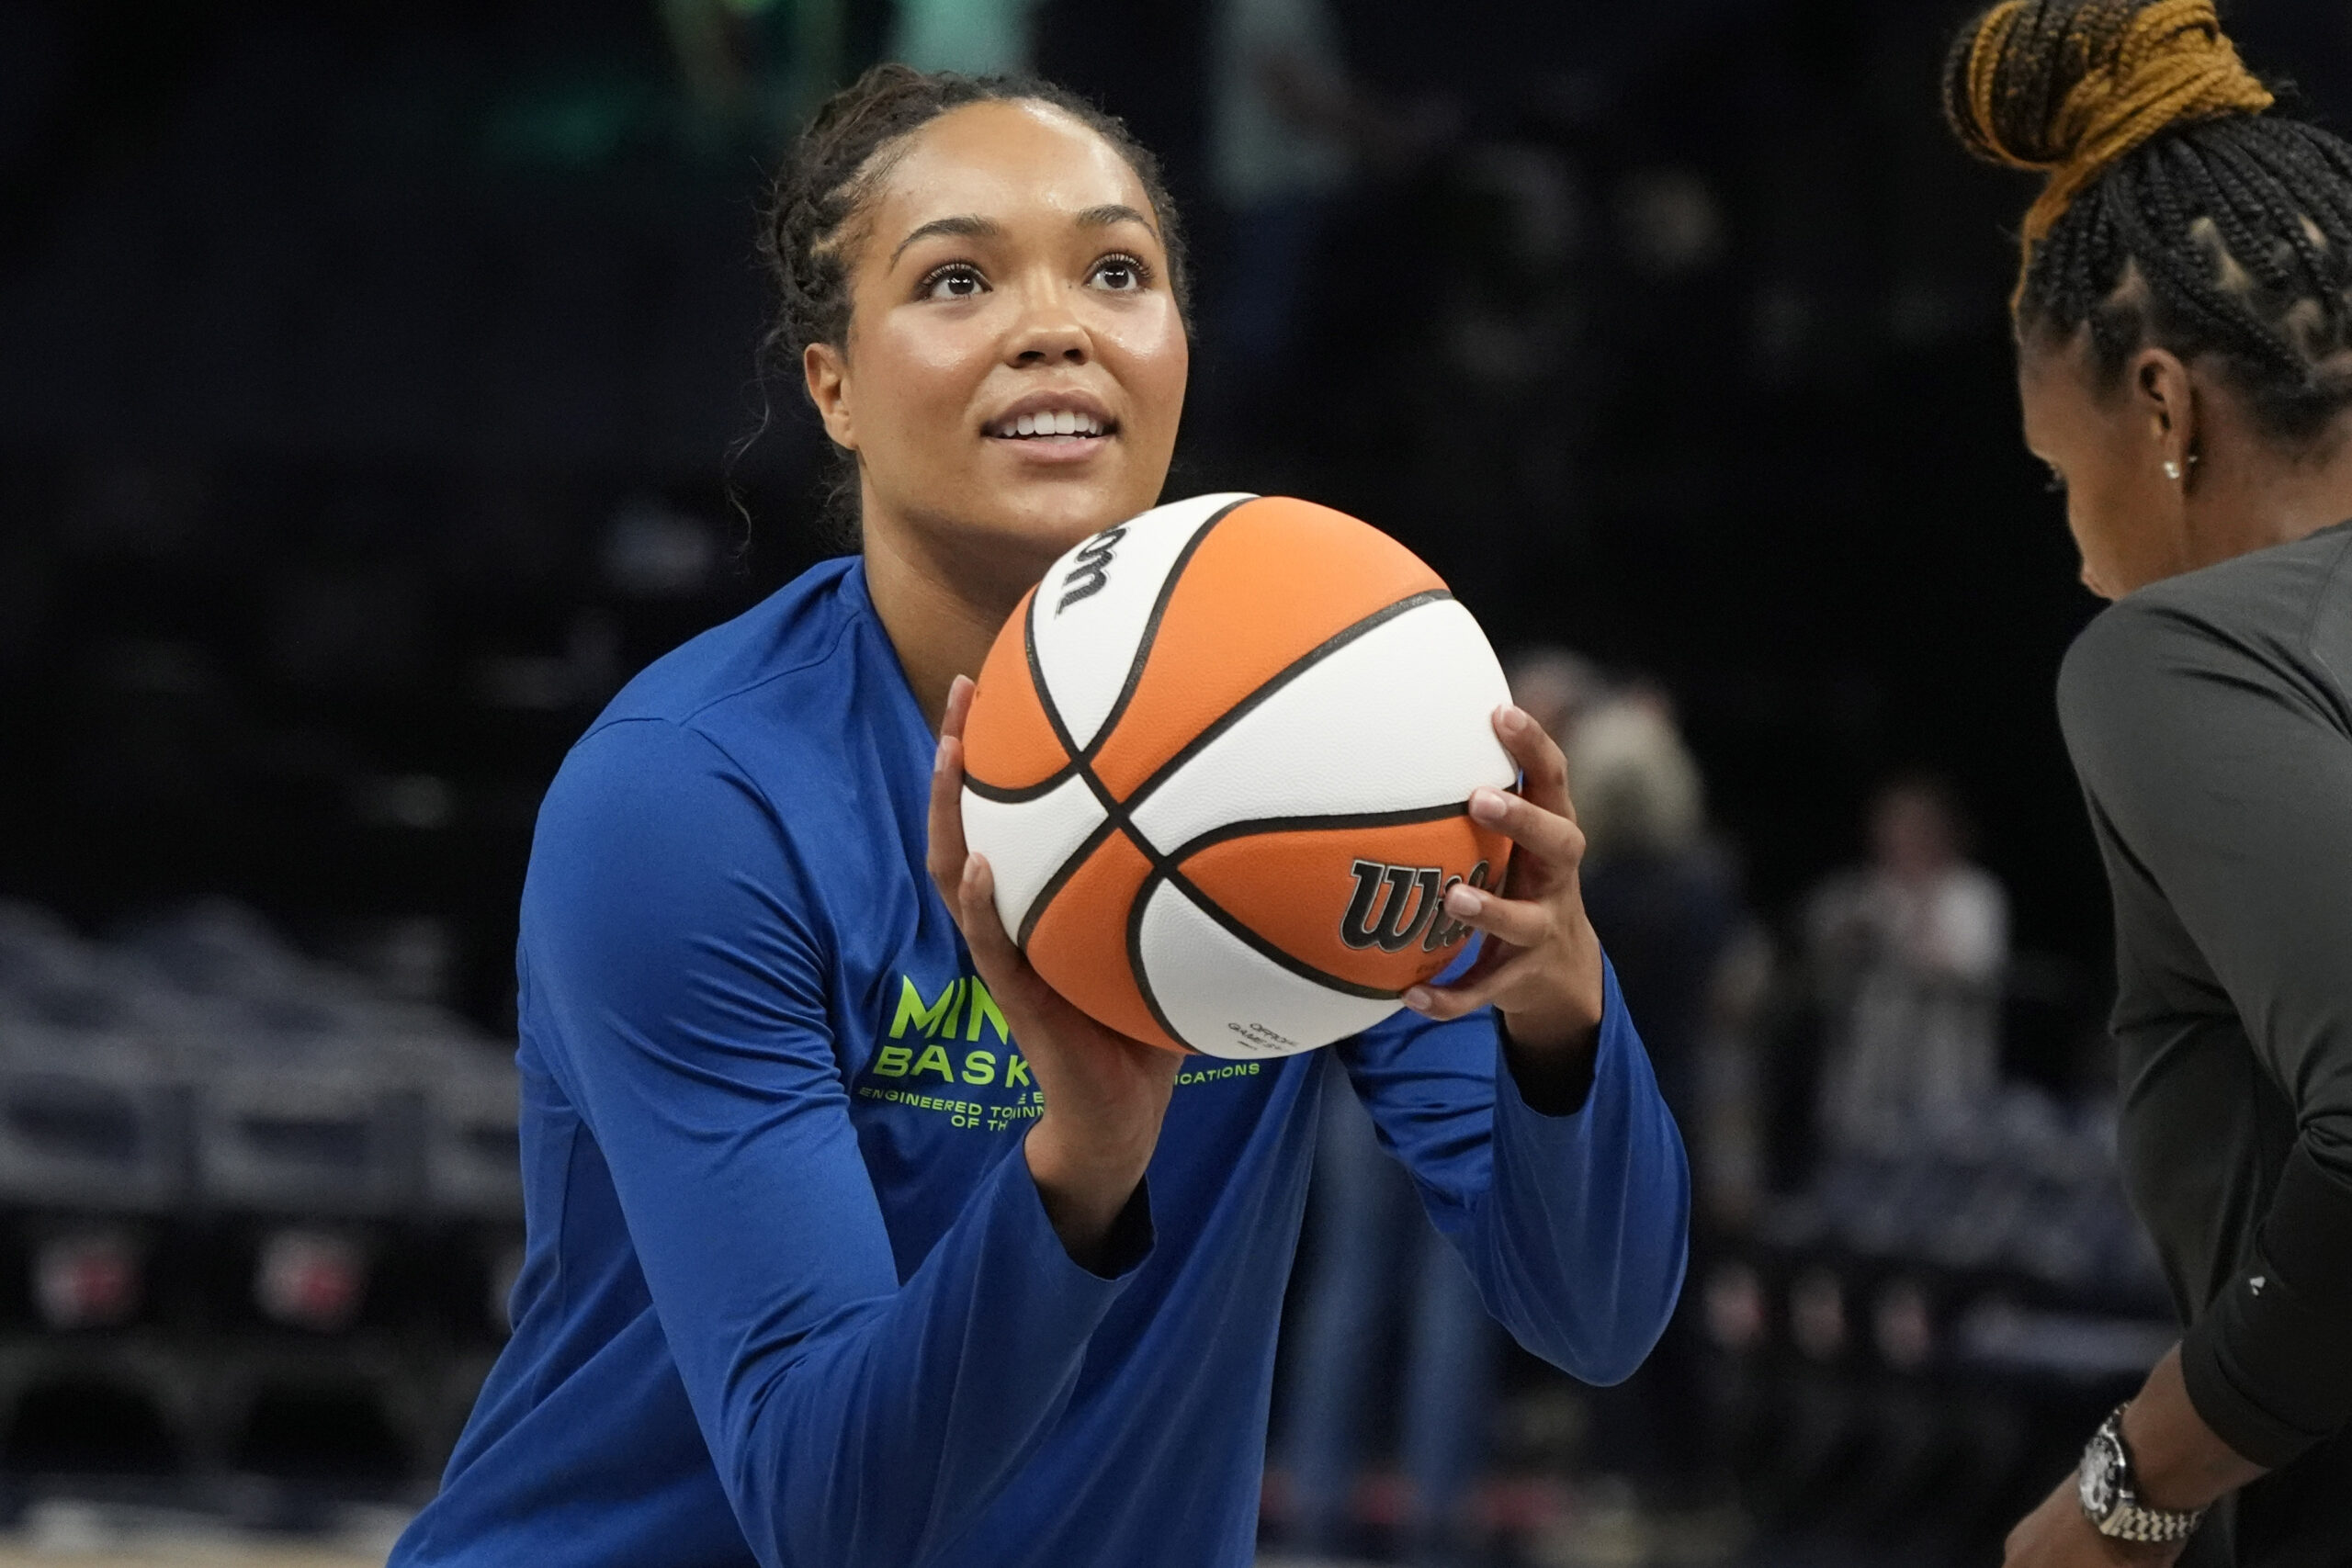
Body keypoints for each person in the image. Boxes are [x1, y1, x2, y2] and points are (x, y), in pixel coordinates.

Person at [390, 65, 1689, 1568]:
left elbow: (1596, 1317)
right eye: (957, 278)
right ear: (834, 383)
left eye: (1117, 269)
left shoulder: (1336, 747)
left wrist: (1559, 1017)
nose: (1055, 323)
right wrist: (1084, 1157)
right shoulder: (694, 797)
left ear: (1180, 350)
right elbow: (834, 1513)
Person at [1944, 3, 2352, 1563]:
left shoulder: (2179, 654)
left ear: (2168, 409)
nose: (2079, 550)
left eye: (2062, 476)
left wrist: (2129, 1485)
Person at [1804, 775, 2009, 1153]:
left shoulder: (1973, 895)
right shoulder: (1854, 895)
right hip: (1864, 1086)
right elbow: (1818, 971)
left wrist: (1920, 912)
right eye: (1893, 825)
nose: (1902, 838)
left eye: (1916, 827)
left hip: (1946, 1084)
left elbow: (1972, 970)